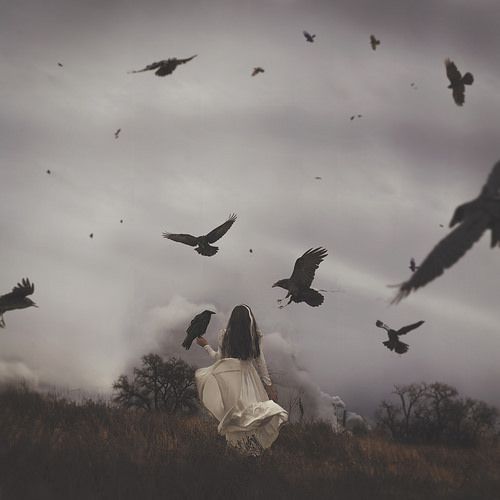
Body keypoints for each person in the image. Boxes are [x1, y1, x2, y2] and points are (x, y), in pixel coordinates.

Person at [195, 304, 288, 455]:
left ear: (233, 319)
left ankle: (238, 454)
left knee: (237, 417)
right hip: (251, 380)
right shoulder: (254, 336)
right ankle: (253, 454)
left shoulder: (225, 335)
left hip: (231, 382)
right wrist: (269, 386)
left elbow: (219, 359)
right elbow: (260, 362)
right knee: (253, 416)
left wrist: (206, 346)